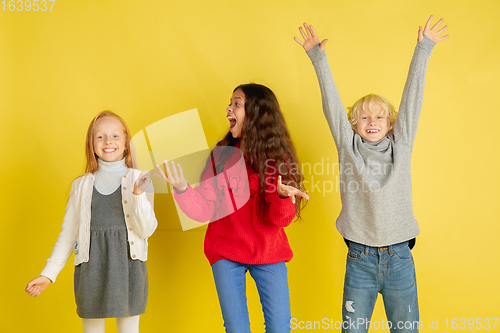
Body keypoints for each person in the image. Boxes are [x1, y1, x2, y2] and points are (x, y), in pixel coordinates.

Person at [294, 16, 449, 332]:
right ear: (353, 125)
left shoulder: (400, 144)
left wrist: (424, 50)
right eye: (363, 116)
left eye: (379, 116)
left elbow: (411, 103)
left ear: (391, 123)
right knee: (352, 330)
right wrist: (318, 58)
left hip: (400, 259)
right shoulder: (348, 146)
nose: (372, 120)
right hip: (360, 260)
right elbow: (333, 107)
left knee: (406, 329)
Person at [155, 83, 309, 333]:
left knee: (280, 327)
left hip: (268, 252)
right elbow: (203, 210)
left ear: (258, 113)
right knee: (236, 329)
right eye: (231, 103)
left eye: (236, 103)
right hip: (225, 251)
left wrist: (282, 198)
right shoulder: (222, 156)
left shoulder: (278, 159)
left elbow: (281, 220)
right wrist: (182, 188)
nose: (229, 108)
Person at [25, 111, 158, 333]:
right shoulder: (81, 185)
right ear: (91, 144)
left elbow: (146, 230)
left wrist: (137, 194)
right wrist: (48, 274)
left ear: (126, 143)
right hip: (91, 270)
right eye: (100, 136)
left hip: (128, 267)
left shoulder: (140, 179)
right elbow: (68, 235)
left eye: (116, 136)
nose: (108, 141)